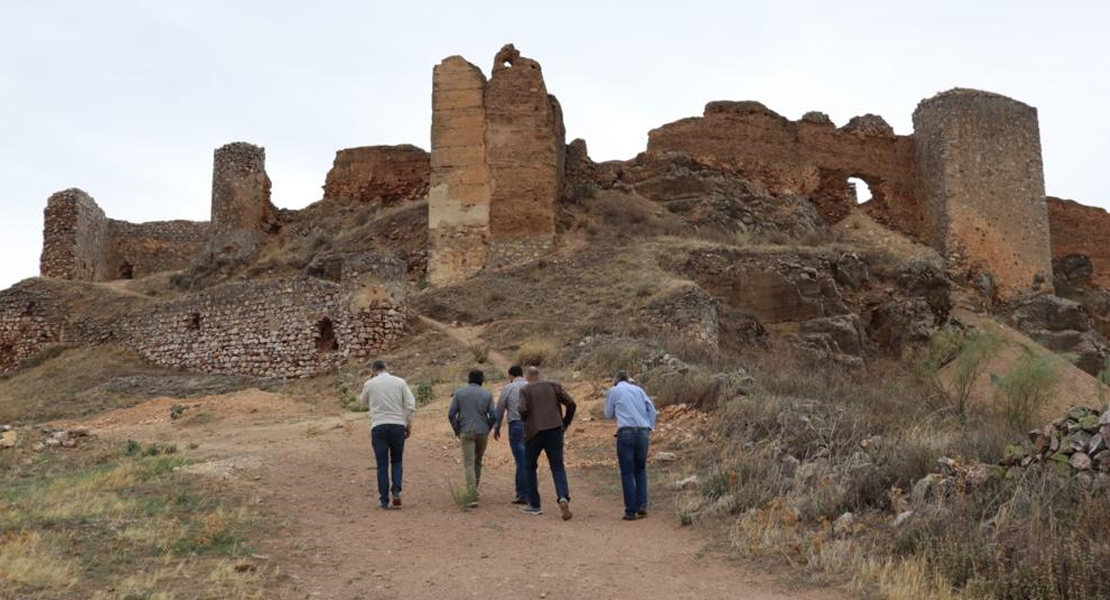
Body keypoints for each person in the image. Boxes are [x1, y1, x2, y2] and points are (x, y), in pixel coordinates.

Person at [518, 366, 577, 520]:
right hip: (555, 430)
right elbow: (571, 403)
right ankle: (563, 496)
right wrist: (565, 422)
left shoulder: (525, 390)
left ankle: (535, 505)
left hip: (534, 433)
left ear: (527, 377)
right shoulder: (554, 386)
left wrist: (527, 421)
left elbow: (522, 410)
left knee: (529, 466)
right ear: (539, 375)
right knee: (558, 467)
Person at [359, 360, 416, 510]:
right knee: (397, 460)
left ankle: (383, 500)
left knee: (382, 465)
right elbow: (410, 405)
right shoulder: (400, 382)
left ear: (374, 370)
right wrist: (408, 424)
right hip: (397, 425)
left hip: (378, 426)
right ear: (386, 368)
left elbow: (362, 402)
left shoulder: (369, 384)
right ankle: (396, 491)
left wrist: (371, 382)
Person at [603, 371, 657, 521]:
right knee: (640, 469)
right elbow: (651, 409)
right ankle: (642, 505)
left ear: (616, 380)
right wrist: (650, 427)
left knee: (627, 472)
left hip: (625, 432)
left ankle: (630, 510)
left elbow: (607, 414)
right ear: (628, 380)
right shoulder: (639, 390)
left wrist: (617, 410)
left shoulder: (614, 391)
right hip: (643, 432)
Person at [448, 369, 499, 507]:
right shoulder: (487, 394)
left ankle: (471, 495)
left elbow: (451, 414)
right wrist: (487, 428)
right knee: (478, 460)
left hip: (466, 430)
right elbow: (494, 415)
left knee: (468, 462)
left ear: (469, 379)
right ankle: (474, 490)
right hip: (482, 431)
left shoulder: (459, 393)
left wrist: (457, 430)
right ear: (482, 380)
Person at [494, 365, 529, 505]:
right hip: (532, 427)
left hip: (516, 426)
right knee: (529, 459)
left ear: (510, 376)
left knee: (521, 461)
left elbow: (500, 409)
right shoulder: (530, 386)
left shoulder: (508, 388)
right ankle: (531, 490)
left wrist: (496, 427)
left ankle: (522, 494)